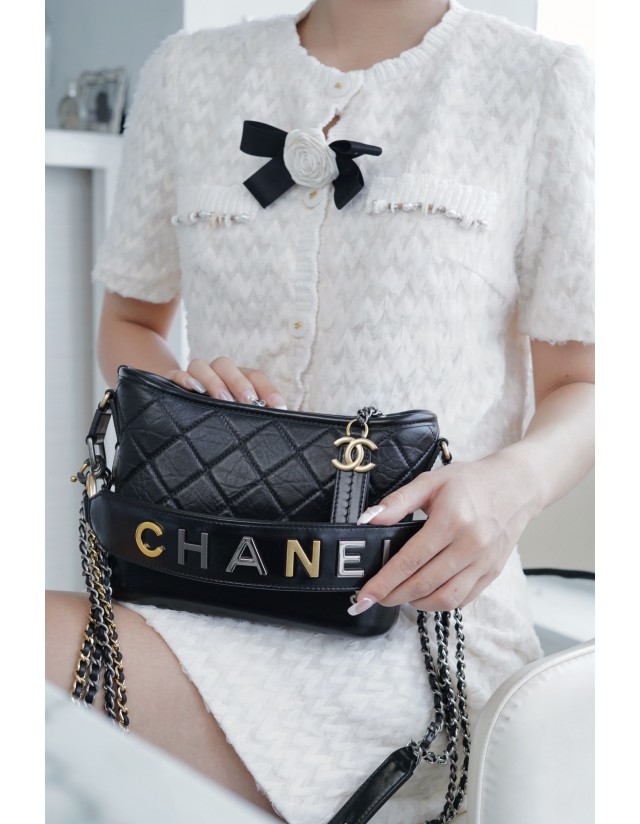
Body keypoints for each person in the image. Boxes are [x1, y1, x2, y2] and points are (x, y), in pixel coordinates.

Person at [45, 1, 595, 821]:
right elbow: (128, 324)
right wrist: (185, 388)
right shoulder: (185, 75)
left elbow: (585, 381)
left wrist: (509, 487)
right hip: (204, 574)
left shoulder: (541, 82)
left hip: (412, 619)